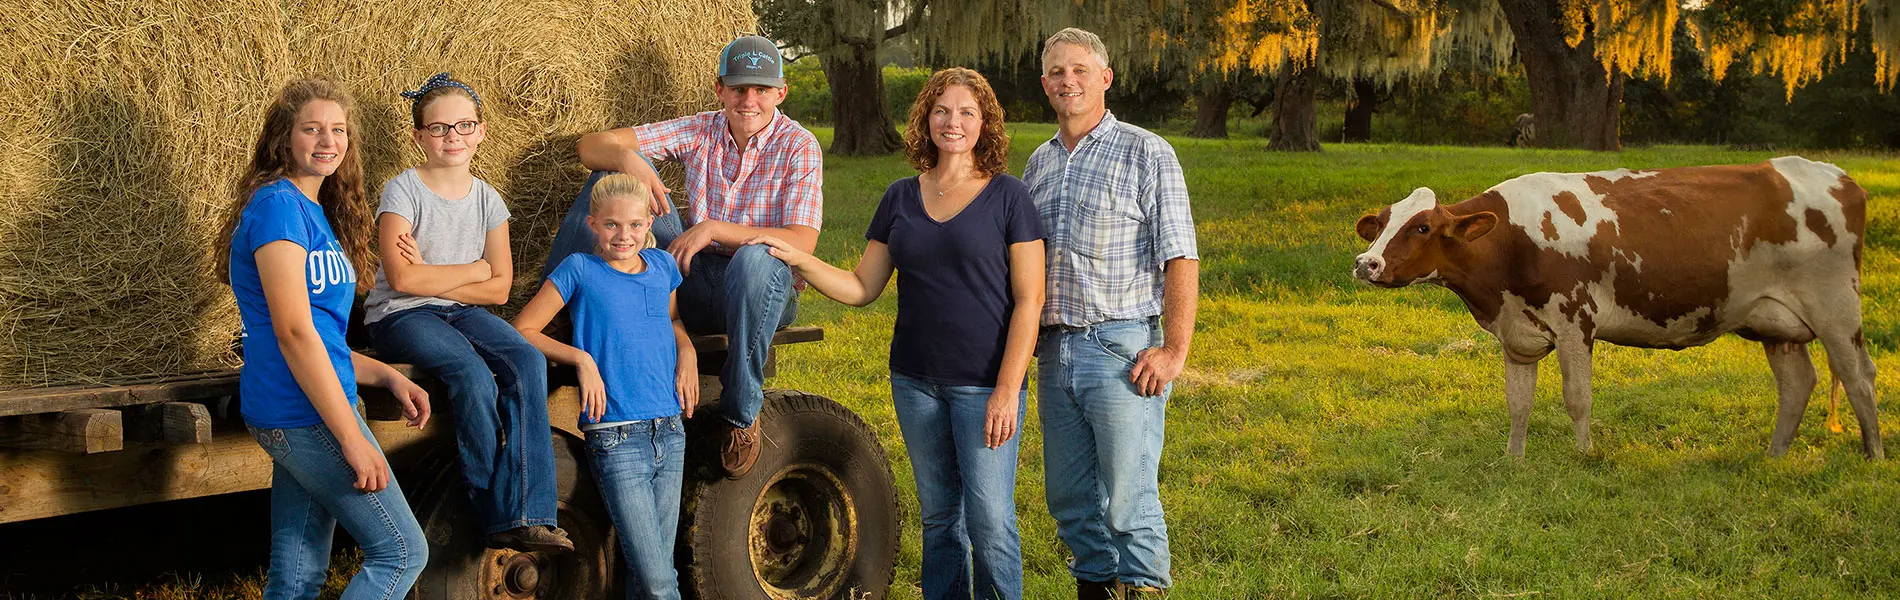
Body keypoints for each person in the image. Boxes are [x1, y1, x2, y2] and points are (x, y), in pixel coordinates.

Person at [748, 68, 1043, 600]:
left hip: (985, 384)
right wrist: (799, 259)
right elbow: (863, 286)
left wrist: (1007, 389)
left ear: (985, 124)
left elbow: (1030, 300)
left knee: (990, 521)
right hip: (915, 380)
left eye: (966, 113)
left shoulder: (1009, 198)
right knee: (939, 517)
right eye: (942, 111)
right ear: (925, 119)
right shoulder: (900, 196)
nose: (953, 122)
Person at [559, 34, 821, 478]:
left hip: (764, 287)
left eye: (761, 89)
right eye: (738, 89)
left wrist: (715, 228)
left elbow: (801, 241)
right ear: (720, 90)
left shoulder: (799, 145)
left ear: (781, 93)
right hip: (696, 275)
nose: (749, 100)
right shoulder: (702, 128)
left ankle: (740, 415)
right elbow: (589, 146)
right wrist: (628, 158)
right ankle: (559, 308)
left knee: (756, 259)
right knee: (610, 174)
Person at [212, 79, 432, 600]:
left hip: (307, 402)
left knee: (297, 576)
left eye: (337, 130)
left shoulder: (311, 211)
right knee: (401, 552)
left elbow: (322, 336)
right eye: (312, 128)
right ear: (284, 138)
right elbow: (292, 332)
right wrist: (352, 437)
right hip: (301, 409)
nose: (327, 140)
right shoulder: (279, 209)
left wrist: (386, 375)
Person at [1024, 28, 1201, 600]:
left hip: (1121, 348)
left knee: (1128, 495)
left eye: (1079, 70)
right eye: (1056, 71)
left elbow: (1180, 255)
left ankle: (1145, 585)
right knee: (1071, 499)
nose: (1067, 80)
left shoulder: (1147, 151)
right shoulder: (1039, 164)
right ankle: (1096, 587)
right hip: (1054, 349)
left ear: (1105, 78)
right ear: (1045, 83)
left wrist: (1174, 350)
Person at [361, 72, 570, 553]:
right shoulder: (402, 191)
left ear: (479, 131)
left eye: (463, 125)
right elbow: (403, 281)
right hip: (400, 316)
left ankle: (528, 511)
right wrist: (474, 267)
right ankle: (487, 510)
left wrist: (450, 274)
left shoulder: (488, 201)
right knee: (471, 374)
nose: (451, 136)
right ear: (419, 136)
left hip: (459, 311)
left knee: (528, 362)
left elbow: (499, 289)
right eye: (438, 128)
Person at [514, 174, 698, 599]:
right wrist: (582, 359)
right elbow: (524, 328)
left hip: (670, 433)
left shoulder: (663, 267)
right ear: (593, 224)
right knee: (658, 581)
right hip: (616, 438)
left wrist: (686, 351)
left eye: (635, 225)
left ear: (649, 222)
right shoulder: (580, 269)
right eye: (612, 224)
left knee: (644, 573)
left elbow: (672, 322)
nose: (624, 235)